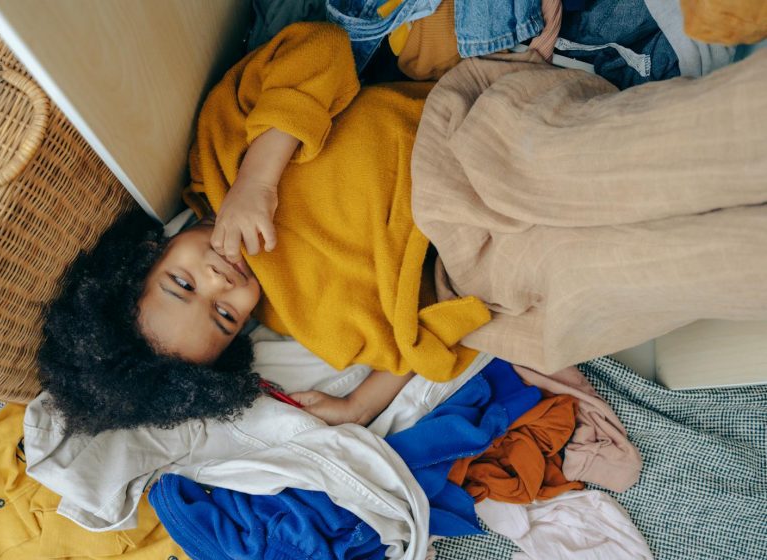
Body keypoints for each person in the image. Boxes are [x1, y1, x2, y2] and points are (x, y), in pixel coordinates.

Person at [38, 22, 490, 436]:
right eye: (226, 316)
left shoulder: (218, 159)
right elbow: (419, 342)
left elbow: (321, 48)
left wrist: (257, 178)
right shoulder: (301, 313)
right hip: (475, 177)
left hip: (439, 98)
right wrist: (358, 406)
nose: (221, 282)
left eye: (183, 283)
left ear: (146, 254)